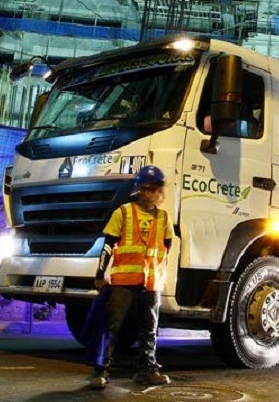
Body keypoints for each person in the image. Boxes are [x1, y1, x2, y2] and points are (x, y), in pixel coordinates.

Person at [89, 165, 174, 390]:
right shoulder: (123, 212)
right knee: (112, 326)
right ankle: (101, 370)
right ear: (138, 190)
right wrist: (99, 275)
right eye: (147, 189)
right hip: (123, 282)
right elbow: (107, 247)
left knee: (149, 328)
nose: (151, 194)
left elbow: (166, 250)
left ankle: (147, 370)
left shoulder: (164, 218)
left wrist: (159, 277)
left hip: (151, 283)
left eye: (155, 189)